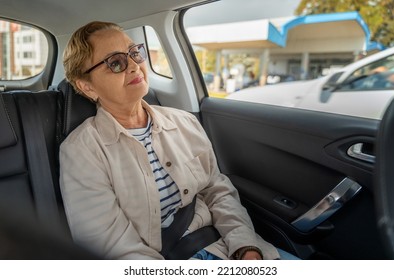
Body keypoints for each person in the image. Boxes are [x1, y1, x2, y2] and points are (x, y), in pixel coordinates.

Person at [60, 21, 295, 260]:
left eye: (134, 53)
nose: (134, 66)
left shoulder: (184, 122)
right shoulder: (82, 151)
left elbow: (217, 190)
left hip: (223, 245)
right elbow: (110, 245)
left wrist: (246, 246)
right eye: (116, 62)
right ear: (87, 86)